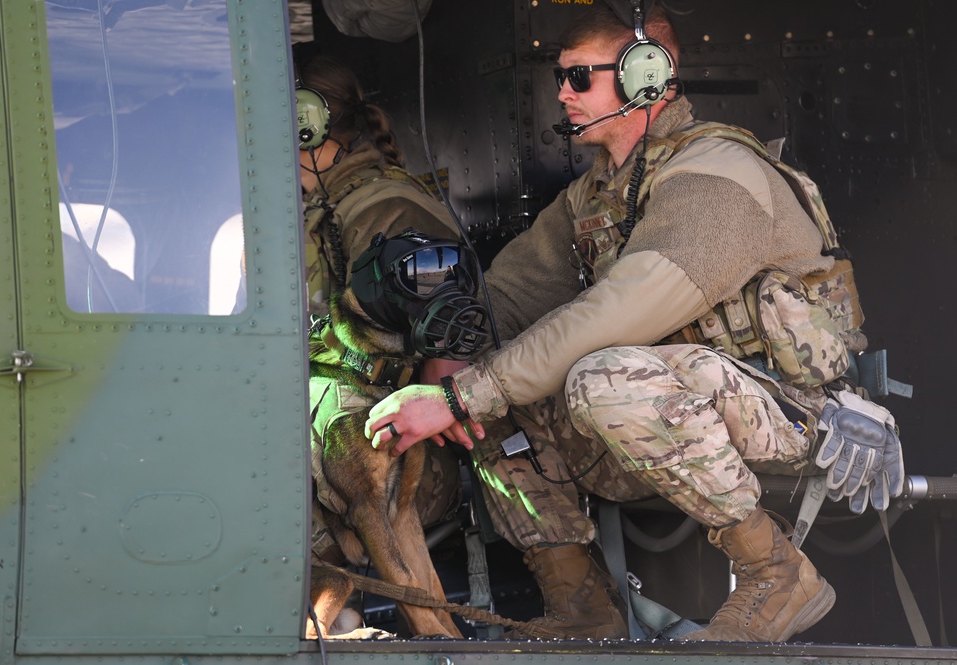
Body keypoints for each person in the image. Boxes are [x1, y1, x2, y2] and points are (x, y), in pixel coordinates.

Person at [365, 1, 902, 643]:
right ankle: (580, 605)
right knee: (495, 402)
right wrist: (446, 362)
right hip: (671, 412)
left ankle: (777, 573)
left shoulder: (717, 176)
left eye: (580, 78)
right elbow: (508, 294)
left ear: (646, 74)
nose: (561, 94)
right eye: (559, 78)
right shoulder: (600, 193)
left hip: (792, 412)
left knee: (594, 375)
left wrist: (460, 396)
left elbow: (621, 310)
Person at [300, 54, 466, 634]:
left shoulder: (386, 210)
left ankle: (424, 635)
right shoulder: (313, 209)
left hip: (418, 454)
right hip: (338, 433)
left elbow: (455, 333)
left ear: (307, 122)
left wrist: (431, 397)